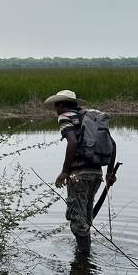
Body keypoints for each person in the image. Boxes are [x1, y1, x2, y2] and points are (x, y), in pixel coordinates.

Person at [44, 89, 117, 254]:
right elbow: (113, 145)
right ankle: (85, 255)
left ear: (62, 105)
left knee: (77, 220)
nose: (56, 110)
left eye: (57, 106)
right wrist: (109, 173)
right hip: (96, 175)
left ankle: (83, 260)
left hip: (79, 176)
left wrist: (64, 171)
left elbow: (73, 143)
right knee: (85, 217)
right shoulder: (91, 118)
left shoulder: (65, 117)